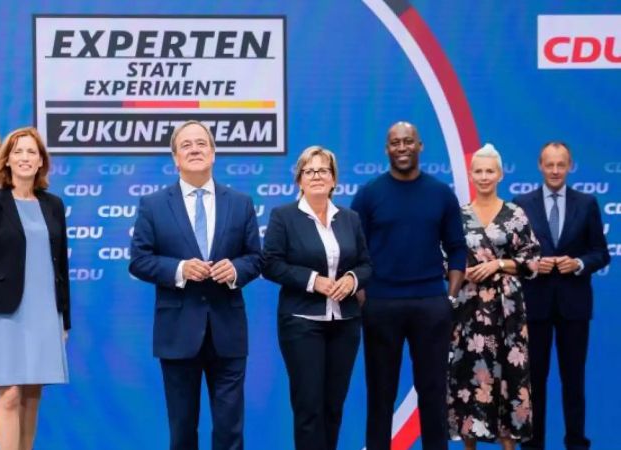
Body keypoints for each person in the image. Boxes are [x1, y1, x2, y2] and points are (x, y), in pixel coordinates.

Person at [129, 120, 263, 450]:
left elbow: (256, 259)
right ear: (175, 158)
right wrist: (179, 269)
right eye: (186, 145)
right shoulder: (154, 205)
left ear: (214, 153)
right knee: (183, 430)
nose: (195, 149)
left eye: (201, 143)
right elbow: (139, 259)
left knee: (230, 430)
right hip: (177, 332)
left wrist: (234, 270)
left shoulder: (240, 202)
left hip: (228, 330)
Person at [350, 121, 467, 450]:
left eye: (408, 141)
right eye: (395, 143)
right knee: (380, 393)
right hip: (381, 305)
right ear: (387, 149)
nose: (402, 148)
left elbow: (457, 247)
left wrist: (450, 297)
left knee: (433, 393)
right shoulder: (370, 194)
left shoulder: (441, 194)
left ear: (420, 146)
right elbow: (353, 249)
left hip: (431, 304)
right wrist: (363, 296)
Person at [262, 146, 371, 450]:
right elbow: (271, 264)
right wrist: (314, 281)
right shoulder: (284, 216)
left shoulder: (349, 218)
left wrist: (351, 280)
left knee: (333, 406)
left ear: (334, 179)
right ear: (299, 180)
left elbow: (366, 265)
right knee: (309, 407)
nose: (317, 176)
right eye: (309, 171)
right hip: (301, 323)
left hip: (345, 323)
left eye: (323, 170)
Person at [0, 127, 70, 450]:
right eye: (18, 151)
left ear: (41, 161)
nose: (25, 158)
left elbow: (61, 267)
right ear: (8, 160)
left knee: (32, 394)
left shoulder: (53, 205)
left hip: (44, 311)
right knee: (9, 394)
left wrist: (63, 317)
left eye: (32, 152)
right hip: (5, 313)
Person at [513, 142, 610, 450]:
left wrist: (579, 263)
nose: (555, 171)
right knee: (534, 383)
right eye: (550, 164)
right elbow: (512, 256)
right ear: (540, 166)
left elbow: (601, 254)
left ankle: (577, 444)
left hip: (574, 306)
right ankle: (533, 444)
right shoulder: (521, 203)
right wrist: (531, 265)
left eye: (561, 165)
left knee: (574, 382)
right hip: (535, 305)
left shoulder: (587, 203)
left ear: (570, 166)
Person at [447, 144, 540, 449]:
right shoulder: (458, 216)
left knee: (508, 380)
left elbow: (532, 261)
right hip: (468, 311)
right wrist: (462, 271)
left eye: (490, 171)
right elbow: (444, 259)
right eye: (479, 171)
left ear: (500, 174)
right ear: (471, 175)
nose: (484, 176)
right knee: (469, 381)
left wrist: (498, 264)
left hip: (507, 313)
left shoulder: (515, 214)